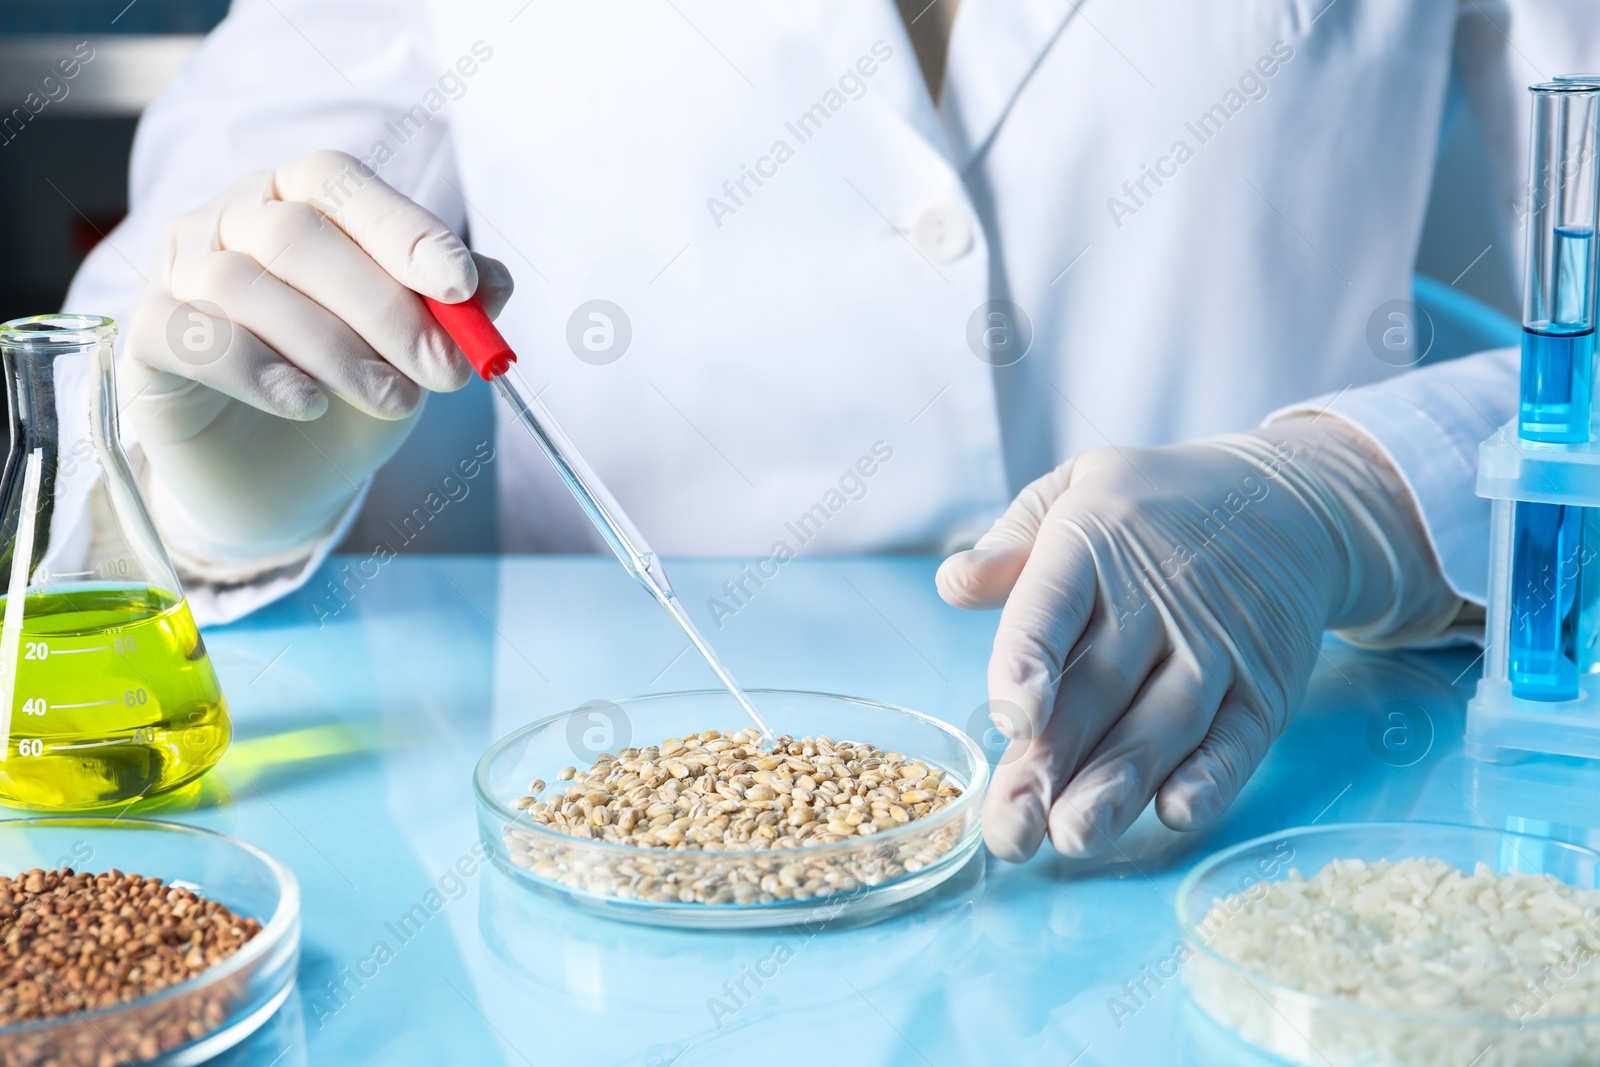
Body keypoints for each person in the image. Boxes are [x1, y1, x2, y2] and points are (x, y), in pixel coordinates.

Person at [64, 1, 1596, 861]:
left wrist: (1351, 500)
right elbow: (145, 332)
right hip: (612, 864)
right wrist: (197, 485)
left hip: (1280, 820)